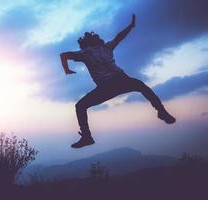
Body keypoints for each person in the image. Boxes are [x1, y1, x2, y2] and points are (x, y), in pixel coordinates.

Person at [60, 14, 176, 148]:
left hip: (106, 88)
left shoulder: (84, 54)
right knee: (142, 87)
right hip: (121, 80)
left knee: (80, 106)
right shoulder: (106, 47)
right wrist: (131, 27)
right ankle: (161, 111)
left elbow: (63, 55)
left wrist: (66, 69)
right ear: (97, 40)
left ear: (84, 44)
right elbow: (119, 37)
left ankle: (87, 137)